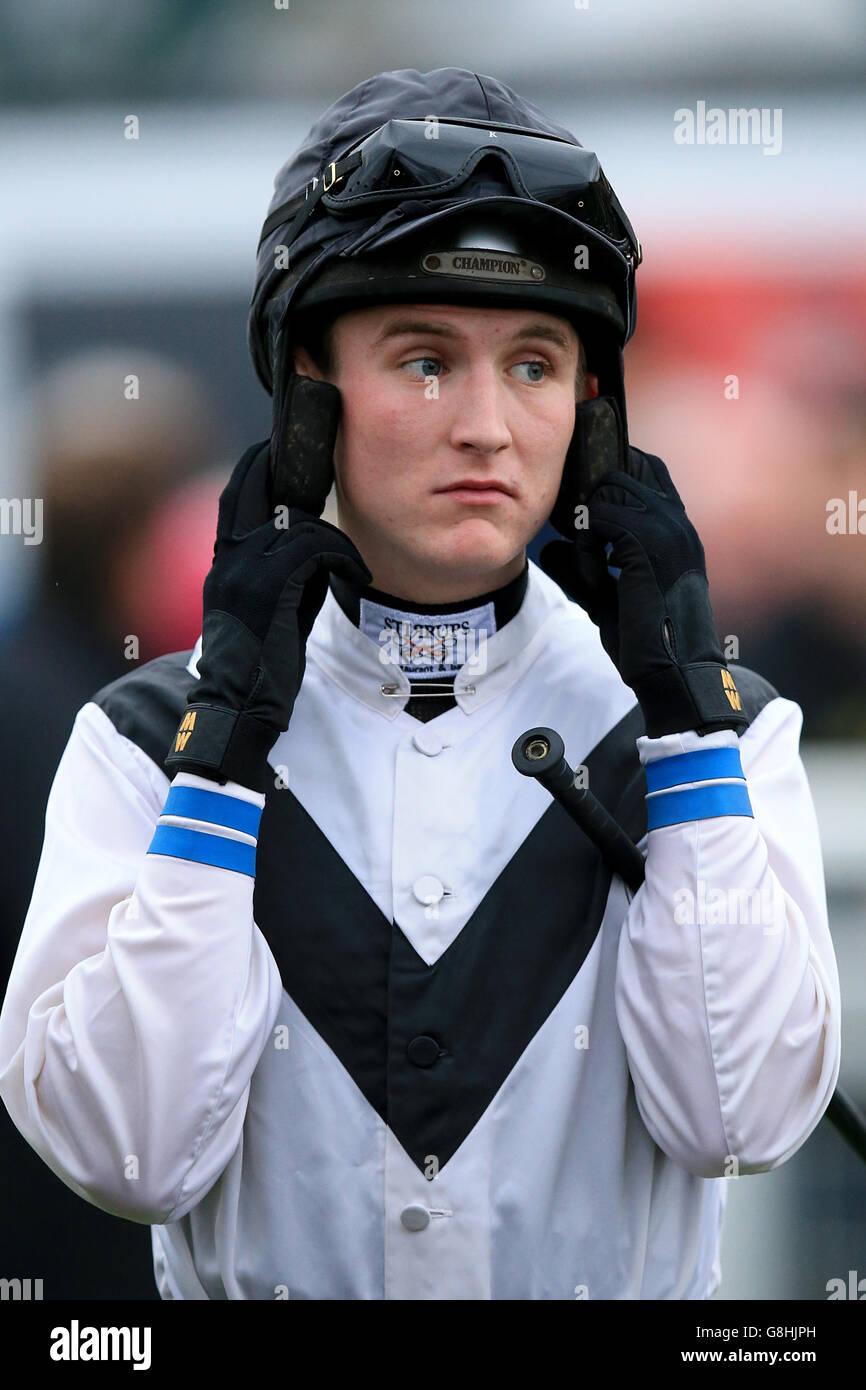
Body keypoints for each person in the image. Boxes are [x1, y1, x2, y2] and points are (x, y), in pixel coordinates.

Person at [0, 68, 841, 1301]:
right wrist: (225, 744)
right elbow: (128, 1150)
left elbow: (740, 1120)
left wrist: (682, 720)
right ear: (304, 388)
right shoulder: (143, 735)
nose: (489, 427)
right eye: (426, 360)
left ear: (591, 410)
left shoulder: (725, 729)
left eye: (537, 365)